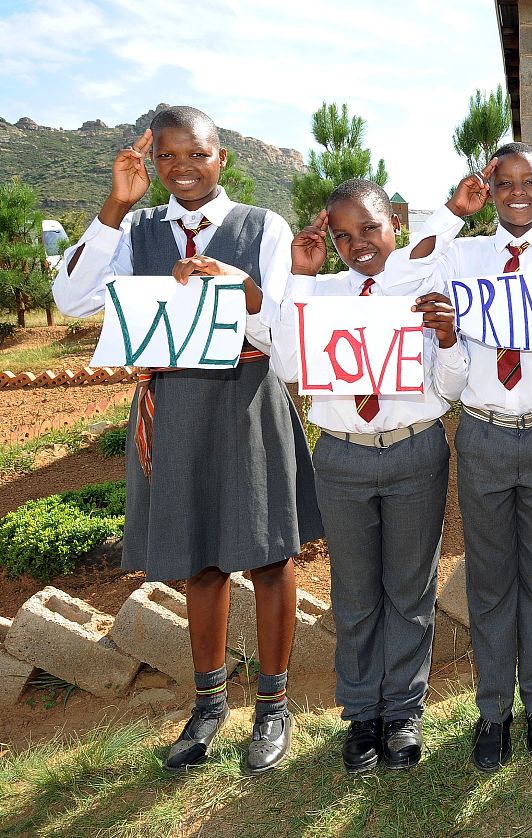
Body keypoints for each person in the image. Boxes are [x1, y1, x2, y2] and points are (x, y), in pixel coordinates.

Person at [52, 106, 323, 775]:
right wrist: (115, 206)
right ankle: (206, 706)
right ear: (152, 163)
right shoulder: (136, 228)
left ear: (221, 157)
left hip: (247, 400)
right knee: (199, 560)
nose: (182, 169)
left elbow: (285, 342)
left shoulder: (261, 227)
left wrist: (247, 291)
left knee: (269, 557)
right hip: (171, 408)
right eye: (167, 157)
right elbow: (71, 298)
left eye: (196, 155)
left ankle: (273, 705)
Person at [407, 143, 532, 772]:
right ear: (489, 190)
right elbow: (407, 277)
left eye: (530, 182)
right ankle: (494, 708)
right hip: (483, 433)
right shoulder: (462, 257)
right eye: (504, 183)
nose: (517, 193)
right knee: (490, 578)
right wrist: (452, 214)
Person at [270, 177, 478, 772]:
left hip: (415, 450)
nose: (358, 244)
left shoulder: (419, 284)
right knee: (356, 591)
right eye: (342, 236)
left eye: (370, 228)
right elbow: (287, 360)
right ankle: (362, 714)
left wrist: (447, 336)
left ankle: (404, 712)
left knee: (410, 588)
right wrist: (303, 273)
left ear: (395, 228)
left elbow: (451, 382)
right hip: (342, 454)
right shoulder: (322, 289)